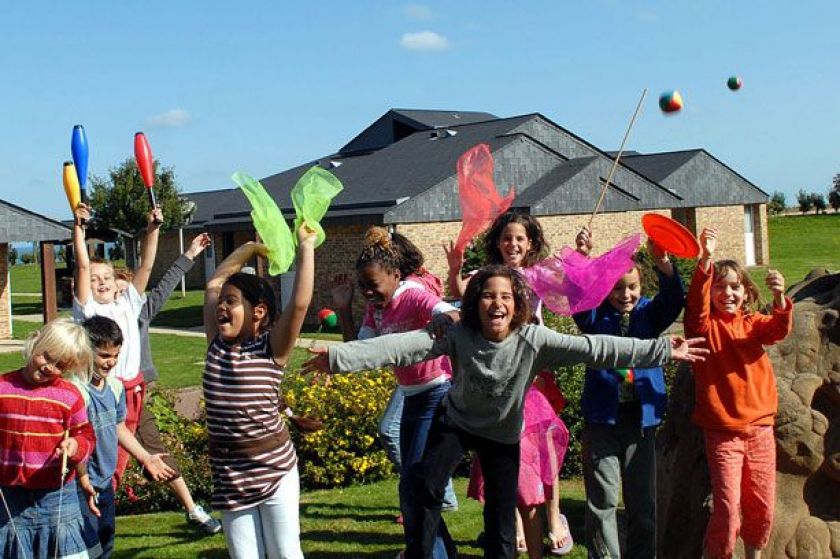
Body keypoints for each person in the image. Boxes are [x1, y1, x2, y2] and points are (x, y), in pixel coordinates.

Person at [305, 265, 708, 559]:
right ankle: (421, 552)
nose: (496, 303)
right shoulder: (457, 334)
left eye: (505, 296)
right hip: (457, 423)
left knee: (500, 519)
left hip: (501, 436)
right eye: (487, 295)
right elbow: (398, 347)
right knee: (423, 484)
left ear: (516, 304)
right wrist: (338, 356)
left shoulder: (532, 339)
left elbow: (595, 349)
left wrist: (661, 349)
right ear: (474, 302)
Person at [446, 210, 573, 555]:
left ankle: (553, 516)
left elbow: (572, 289)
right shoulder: (488, 278)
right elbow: (461, 295)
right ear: (497, 243)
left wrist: (582, 253)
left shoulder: (540, 274)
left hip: (533, 375)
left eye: (520, 238)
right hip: (499, 381)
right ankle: (515, 526)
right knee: (507, 454)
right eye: (506, 238)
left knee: (540, 450)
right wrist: (455, 267)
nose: (512, 244)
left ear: (530, 243)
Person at [329, 226, 460, 558]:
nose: (368, 293)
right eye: (363, 287)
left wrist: (445, 318)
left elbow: (445, 311)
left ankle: (427, 553)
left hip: (436, 395)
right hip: (412, 399)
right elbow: (359, 352)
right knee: (415, 489)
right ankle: (438, 553)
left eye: (372, 285)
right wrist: (344, 309)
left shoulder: (412, 294)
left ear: (396, 275)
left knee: (413, 486)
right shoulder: (377, 310)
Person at [202, 226, 315, 559]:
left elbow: (299, 304)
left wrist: (306, 247)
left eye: (231, 302)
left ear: (259, 311)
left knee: (285, 553)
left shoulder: (271, 349)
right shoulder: (216, 346)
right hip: (230, 476)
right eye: (222, 302)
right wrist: (248, 248)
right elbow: (212, 284)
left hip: (275, 470)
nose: (221, 305)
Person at [572, 226, 685, 559]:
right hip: (602, 420)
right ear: (606, 289)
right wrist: (583, 259)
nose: (626, 294)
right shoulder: (595, 317)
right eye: (617, 288)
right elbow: (579, 299)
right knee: (603, 501)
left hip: (640, 420)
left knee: (642, 506)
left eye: (632, 287)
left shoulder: (649, 314)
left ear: (641, 286)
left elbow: (674, 299)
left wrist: (663, 262)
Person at [684, 228, 792, 559]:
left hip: (760, 430)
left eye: (735, 287)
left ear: (746, 293)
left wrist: (779, 299)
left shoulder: (754, 324)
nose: (727, 293)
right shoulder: (703, 328)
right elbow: (696, 308)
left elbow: (778, 329)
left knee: (761, 505)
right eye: (720, 286)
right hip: (722, 434)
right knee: (728, 509)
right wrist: (706, 259)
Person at [113, 232, 222, 534]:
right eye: (116, 293)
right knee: (108, 463)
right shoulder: (102, 322)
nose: (122, 298)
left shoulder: (142, 313)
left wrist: (190, 254)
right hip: (109, 403)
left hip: (137, 398)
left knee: (157, 452)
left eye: (126, 292)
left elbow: (163, 284)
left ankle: (192, 509)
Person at [71, 203, 162, 488]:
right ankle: (95, 497)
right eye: (95, 279)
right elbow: (83, 265)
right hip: (102, 392)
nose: (102, 282)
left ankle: (104, 500)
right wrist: (79, 229)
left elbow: (147, 265)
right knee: (103, 452)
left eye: (107, 277)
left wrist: (153, 229)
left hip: (131, 389)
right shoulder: (86, 310)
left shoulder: (128, 303)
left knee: (118, 458)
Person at [74, 316, 176, 558]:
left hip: (105, 482)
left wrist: (145, 457)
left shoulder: (115, 388)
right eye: (104, 356)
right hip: (79, 485)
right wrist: (82, 476)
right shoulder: (76, 391)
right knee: (84, 547)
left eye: (115, 356)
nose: (111, 362)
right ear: (86, 352)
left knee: (106, 540)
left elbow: (118, 427)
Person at [0, 318, 97, 559]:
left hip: (56, 497)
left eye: (59, 365)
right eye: (46, 356)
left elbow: (85, 435)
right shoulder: (2, 387)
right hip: (8, 495)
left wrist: (75, 447)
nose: (49, 367)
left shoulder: (69, 395)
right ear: (35, 343)